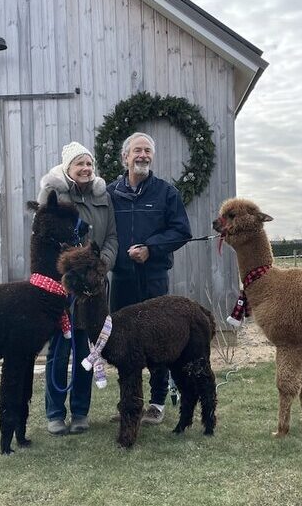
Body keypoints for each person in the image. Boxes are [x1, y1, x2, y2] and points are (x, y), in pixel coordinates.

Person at [107, 131, 192, 425]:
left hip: (154, 279)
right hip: (122, 280)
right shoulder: (110, 194)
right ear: (125, 157)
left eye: (147, 151)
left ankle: (156, 403)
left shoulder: (166, 193)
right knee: (123, 344)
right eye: (137, 150)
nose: (142, 155)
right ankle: (129, 403)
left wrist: (151, 248)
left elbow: (182, 231)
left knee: (158, 341)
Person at [37, 141, 118, 435]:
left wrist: (101, 265)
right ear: (67, 168)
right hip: (64, 285)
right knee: (59, 349)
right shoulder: (55, 197)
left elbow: (111, 237)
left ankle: (81, 412)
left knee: (86, 347)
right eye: (79, 164)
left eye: (89, 164)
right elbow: (45, 239)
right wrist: (70, 268)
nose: (85, 169)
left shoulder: (102, 197)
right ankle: (55, 413)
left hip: (92, 287)